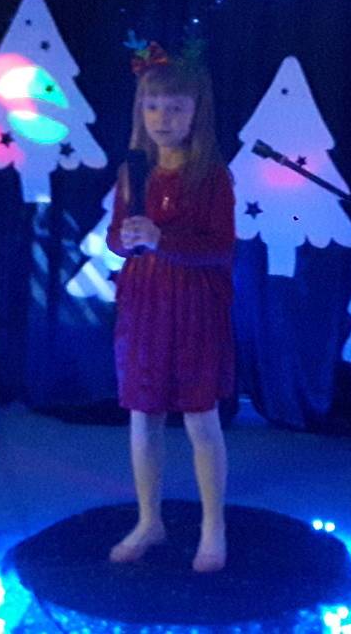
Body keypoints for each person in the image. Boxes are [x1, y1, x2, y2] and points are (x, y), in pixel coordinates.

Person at [105, 45, 238, 574]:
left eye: (176, 107)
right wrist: (126, 239)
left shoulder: (211, 176)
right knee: (144, 415)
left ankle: (213, 525)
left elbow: (220, 249)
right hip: (144, 304)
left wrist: (164, 240)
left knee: (200, 417)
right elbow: (116, 237)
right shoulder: (133, 171)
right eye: (153, 107)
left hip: (194, 307)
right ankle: (148, 520)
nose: (163, 118)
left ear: (196, 112)